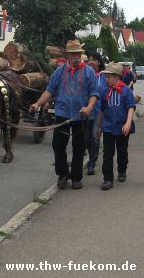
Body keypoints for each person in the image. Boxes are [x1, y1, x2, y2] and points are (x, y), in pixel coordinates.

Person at [29, 39, 99, 190]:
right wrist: (38, 103)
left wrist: (89, 107)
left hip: (81, 115)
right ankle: (62, 175)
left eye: (79, 54)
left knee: (79, 147)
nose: (77, 57)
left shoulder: (89, 71)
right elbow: (50, 90)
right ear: (67, 55)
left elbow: (94, 93)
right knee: (58, 145)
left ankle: (76, 178)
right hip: (62, 113)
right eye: (73, 54)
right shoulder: (59, 72)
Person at [97, 62, 136, 190]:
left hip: (122, 127)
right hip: (108, 127)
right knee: (107, 153)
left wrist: (128, 123)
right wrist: (99, 125)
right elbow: (102, 110)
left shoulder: (126, 91)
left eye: (108, 77)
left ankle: (122, 170)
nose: (106, 79)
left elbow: (131, 107)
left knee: (122, 152)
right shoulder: (104, 92)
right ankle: (107, 179)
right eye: (105, 77)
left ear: (116, 77)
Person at [86, 51, 107, 175]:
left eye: (93, 59)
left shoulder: (104, 76)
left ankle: (91, 163)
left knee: (94, 137)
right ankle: (91, 156)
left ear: (98, 62)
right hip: (86, 110)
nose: (90, 62)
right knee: (86, 138)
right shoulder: (86, 74)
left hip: (99, 111)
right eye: (89, 59)